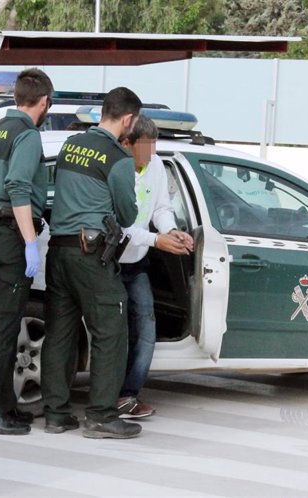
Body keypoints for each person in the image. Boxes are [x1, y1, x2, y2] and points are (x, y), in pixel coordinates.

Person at [41, 87, 142, 439]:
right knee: (111, 333)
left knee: (59, 334)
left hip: (58, 251)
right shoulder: (119, 158)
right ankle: (100, 416)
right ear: (128, 119)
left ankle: (55, 414)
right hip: (91, 255)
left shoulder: (71, 145)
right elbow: (128, 214)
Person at [0, 68, 53, 435]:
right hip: (9, 238)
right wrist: (30, 243)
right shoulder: (28, 135)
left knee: (1, 326)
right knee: (1, 332)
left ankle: (5, 406)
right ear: (44, 102)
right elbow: (18, 187)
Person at [116, 115, 193, 419]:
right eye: (145, 146)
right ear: (127, 144)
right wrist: (157, 241)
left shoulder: (157, 166)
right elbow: (118, 226)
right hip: (110, 261)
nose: (150, 152)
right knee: (113, 333)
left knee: (146, 325)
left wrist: (171, 231)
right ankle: (104, 393)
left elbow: (161, 208)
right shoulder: (117, 169)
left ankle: (128, 395)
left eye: (153, 145)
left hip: (137, 261)